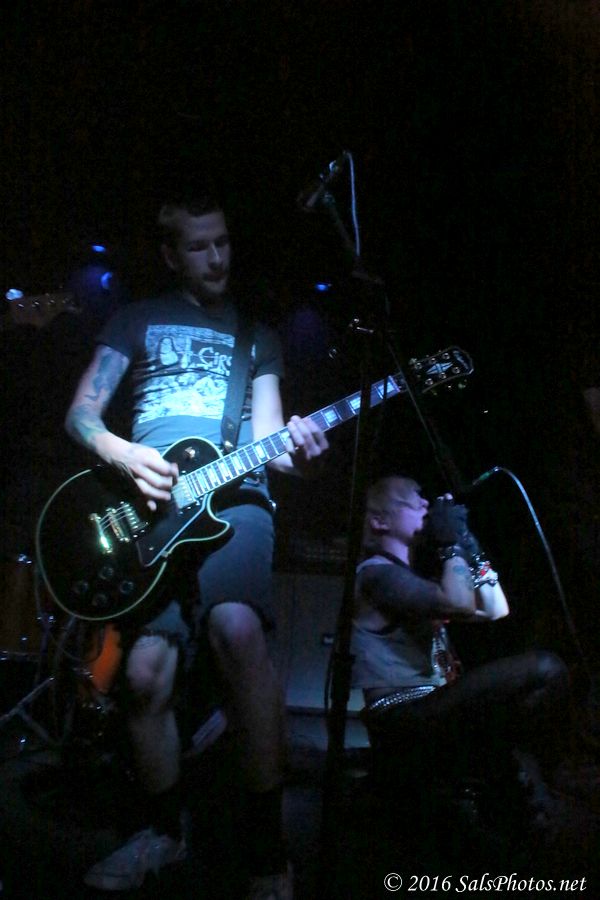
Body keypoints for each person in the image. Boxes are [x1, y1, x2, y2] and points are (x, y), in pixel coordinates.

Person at [64, 188, 329, 897]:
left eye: (224, 242)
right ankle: (162, 833)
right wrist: (122, 453)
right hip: (148, 511)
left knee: (235, 628)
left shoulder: (258, 337)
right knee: (145, 675)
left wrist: (303, 455)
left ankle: (267, 853)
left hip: (235, 503)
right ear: (170, 255)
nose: (217, 257)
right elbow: (82, 415)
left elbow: (271, 442)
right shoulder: (135, 319)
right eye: (199, 246)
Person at [351, 475, 570, 826]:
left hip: (433, 705)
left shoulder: (417, 582)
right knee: (545, 668)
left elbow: (496, 608)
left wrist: (472, 548)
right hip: (401, 717)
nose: (426, 504)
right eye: (412, 500)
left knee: (523, 708)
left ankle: (524, 797)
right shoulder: (376, 575)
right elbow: (459, 603)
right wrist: (451, 545)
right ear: (380, 521)